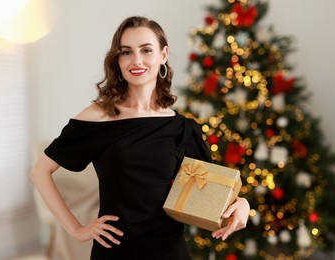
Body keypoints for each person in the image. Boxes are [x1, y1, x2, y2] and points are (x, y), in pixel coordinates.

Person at [30, 16, 250, 260]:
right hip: (116, 252)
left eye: (146, 50)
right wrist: (76, 229)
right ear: (118, 59)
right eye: (126, 52)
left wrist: (243, 203)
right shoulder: (98, 117)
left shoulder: (182, 128)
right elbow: (40, 171)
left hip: (170, 251)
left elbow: (212, 190)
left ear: (163, 55)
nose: (136, 60)